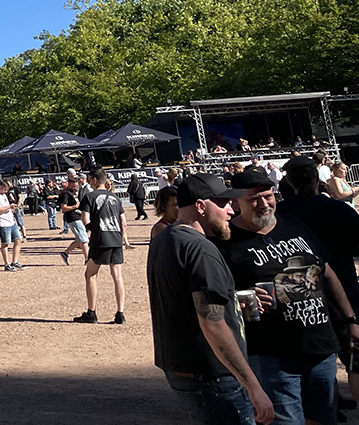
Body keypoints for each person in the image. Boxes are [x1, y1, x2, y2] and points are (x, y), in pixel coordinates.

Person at [218, 164, 359, 425]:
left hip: (320, 346)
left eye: (268, 196)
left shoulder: (294, 224)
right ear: (236, 203)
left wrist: (350, 321)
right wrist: (239, 298)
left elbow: (327, 273)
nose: (263, 204)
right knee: (286, 422)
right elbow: (216, 297)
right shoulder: (225, 241)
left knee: (324, 417)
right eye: (254, 199)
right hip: (271, 352)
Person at [146, 173, 274, 425]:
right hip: (212, 375)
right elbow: (212, 323)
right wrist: (252, 385)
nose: (230, 211)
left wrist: (232, 300)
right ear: (201, 207)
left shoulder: (164, 238)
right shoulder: (201, 249)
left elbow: (185, 299)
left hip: (182, 369)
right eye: (223, 204)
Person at [277, 155, 359, 412]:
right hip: (344, 289)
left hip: (301, 297)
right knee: (355, 356)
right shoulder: (338, 209)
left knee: (317, 359)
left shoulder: (281, 214)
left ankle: (329, 408)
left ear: (288, 180)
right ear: (317, 179)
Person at [73, 170, 130, 325]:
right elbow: (123, 222)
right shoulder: (116, 198)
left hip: (100, 240)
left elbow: (85, 220)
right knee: (117, 276)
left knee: (91, 274)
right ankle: (120, 313)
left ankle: (91, 312)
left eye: (90, 179)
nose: (89, 182)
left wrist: (95, 228)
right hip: (116, 239)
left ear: (95, 180)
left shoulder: (89, 197)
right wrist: (124, 240)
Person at [0, 179, 23, 271]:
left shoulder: (3, 195)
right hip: (2, 222)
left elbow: (6, 208)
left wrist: (13, 209)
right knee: (5, 243)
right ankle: (6, 264)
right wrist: (9, 207)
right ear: (0, 187)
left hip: (10, 221)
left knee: (18, 239)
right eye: (5, 189)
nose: (6, 191)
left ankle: (14, 261)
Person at [58, 177, 89, 266]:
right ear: (69, 183)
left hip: (78, 216)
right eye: (74, 186)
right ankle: (87, 259)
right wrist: (75, 207)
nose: (76, 187)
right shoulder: (65, 194)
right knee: (84, 239)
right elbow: (63, 208)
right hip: (72, 217)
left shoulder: (73, 192)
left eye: (77, 186)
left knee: (81, 239)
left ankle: (65, 253)